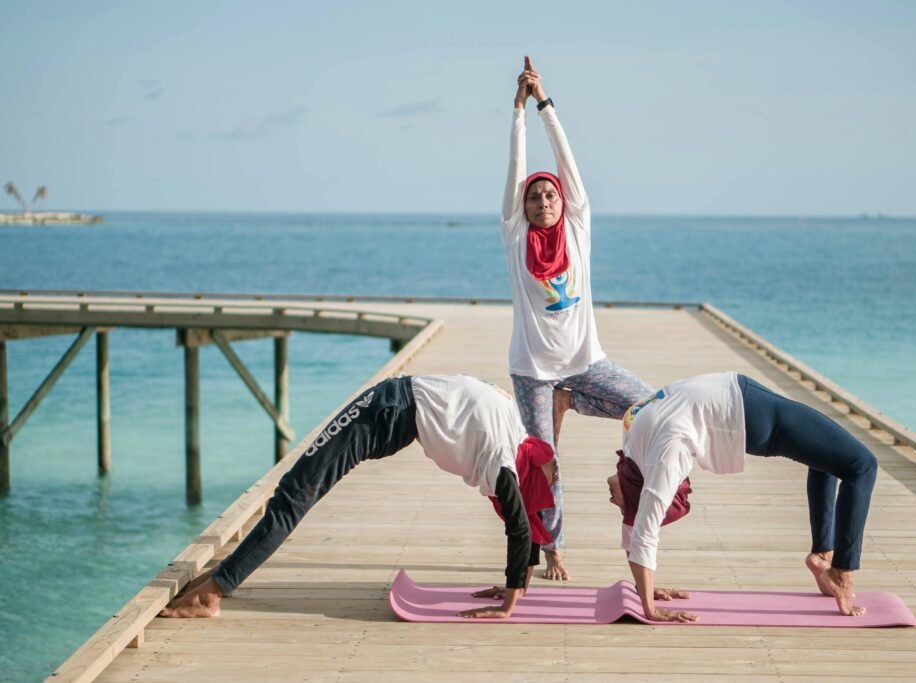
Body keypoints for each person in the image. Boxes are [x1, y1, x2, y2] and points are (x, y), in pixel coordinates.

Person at [159, 374, 557, 620]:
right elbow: (522, 522)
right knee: (292, 497)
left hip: (389, 406)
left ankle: (212, 594)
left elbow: (521, 524)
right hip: (387, 409)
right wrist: (513, 587)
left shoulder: (512, 429)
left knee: (290, 498)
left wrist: (512, 592)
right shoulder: (504, 457)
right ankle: (217, 581)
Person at [501, 55, 654, 581]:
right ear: (523, 207)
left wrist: (545, 105)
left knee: (651, 408)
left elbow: (566, 165)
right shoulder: (516, 236)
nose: (543, 199)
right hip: (533, 372)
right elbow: (518, 171)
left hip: (587, 363)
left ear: (563, 202)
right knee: (544, 464)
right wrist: (516, 113)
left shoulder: (578, 228)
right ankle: (553, 549)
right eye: (535, 196)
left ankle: (574, 399)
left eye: (550, 195)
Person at [605, 372, 878, 621]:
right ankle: (842, 572)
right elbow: (641, 528)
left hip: (747, 408)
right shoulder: (641, 434)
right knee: (862, 465)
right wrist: (649, 604)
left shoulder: (650, 451)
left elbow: (640, 526)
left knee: (834, 458)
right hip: (751, 411)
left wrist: (647, 595)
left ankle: (823, 555)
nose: (611, 499)